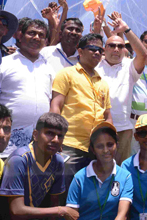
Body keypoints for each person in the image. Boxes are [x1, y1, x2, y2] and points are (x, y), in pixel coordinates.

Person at [51, 33, 112, 183]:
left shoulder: (103, 83)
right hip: (69, 144)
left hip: (95, 148)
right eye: (92, 48)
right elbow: (55, 106)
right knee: (63, 192)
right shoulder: (66, 74)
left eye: (100, 50)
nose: (97, 53)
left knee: (88, 194)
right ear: (80, 51)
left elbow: (108, 116)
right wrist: (56, 137)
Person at [0, 112, 78, 220]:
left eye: (60, 136)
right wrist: (61, 210)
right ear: (35, 135)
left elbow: (53, 204)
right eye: (49, 133)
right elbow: (16, 211)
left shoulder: (58, 161)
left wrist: (57, 210)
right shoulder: (19, 160)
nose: (55, 140)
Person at [96, 12, 147, 164]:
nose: (116, 49)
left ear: (125, 50)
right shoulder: (95, 65)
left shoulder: (129, 67)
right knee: (97, 170)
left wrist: (126, 29)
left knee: (120, 171)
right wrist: (98, 28)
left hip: (123, 130)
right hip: (97, 127)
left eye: (120, 46)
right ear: (104, 49)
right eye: (112, 45)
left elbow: (143, 54)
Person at [0, 19, 54, 155]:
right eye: (32, 33)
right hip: (6, 141)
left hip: (38, 143)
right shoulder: (4, 63)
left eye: (41, 35)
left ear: (46, 42)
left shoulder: (49, 68)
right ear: (20, 36)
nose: (36, 37)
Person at [66, 121, 133, 220]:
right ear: (93, 149)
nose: (106, 150)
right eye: (100, 146)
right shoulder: (79, 178)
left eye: (110, 144)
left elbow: (122, 215)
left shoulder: (125, 176)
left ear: (117, 145)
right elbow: (72, 214)